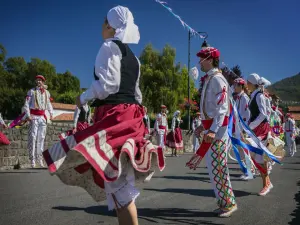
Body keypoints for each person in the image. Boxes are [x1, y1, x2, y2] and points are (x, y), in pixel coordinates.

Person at [42, 6, 165, 225]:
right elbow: (137, 94)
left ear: (110, 25)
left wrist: (84, 97)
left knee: (119, 187)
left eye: (103, 22)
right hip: (131, 115)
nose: (101, 27)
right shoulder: (134, 58)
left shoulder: (108, 47)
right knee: (118, 182)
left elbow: (109, 84)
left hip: (114, 115)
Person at [187, 41, 237, 217]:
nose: (199, 62)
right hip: (212, 128)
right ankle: (224, 202)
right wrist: (203, 125)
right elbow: (211, 109)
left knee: (219, 167)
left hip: (219, 130)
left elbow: (222, 108)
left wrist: (213, 129)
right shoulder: (211, 78)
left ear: (209, 59)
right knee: (213, 167)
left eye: (201, 58)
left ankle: (229, 203)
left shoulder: (217, 79)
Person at [247, 73, 273, 196]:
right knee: (256, 157)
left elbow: (263, 114)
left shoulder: (259, 96)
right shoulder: (254, 95)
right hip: (256, 129)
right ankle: (267, 182)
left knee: (260, 158)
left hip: (261, 130)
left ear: (252, 83)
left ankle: (266, 184)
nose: (246, 84)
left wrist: (250, 126)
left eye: (248, 82)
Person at [23, 75, 53, 168]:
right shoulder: (31, 91)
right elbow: (26, 104)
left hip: (42, 117)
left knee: (41, 138)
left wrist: (51, 113)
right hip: (34, 116)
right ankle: (32, 160)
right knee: (33, 138)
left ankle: (40, 160)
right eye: (37, 80)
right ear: (36, 81)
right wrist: (28, 115)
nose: (39, 81)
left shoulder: (47, 93)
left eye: (40, 80)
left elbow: (48, 103)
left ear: (43, 81)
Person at [233, 78, 254, 180]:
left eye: (235, 85)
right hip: (238, 127)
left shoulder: (244, 98)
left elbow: (247, 114)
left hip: (242, 128)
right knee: (241, 150)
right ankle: (246, 171)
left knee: (245, 150)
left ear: (241, 86)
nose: (234, 87)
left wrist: (243, 128)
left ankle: (250, 171)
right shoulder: (238, 98)